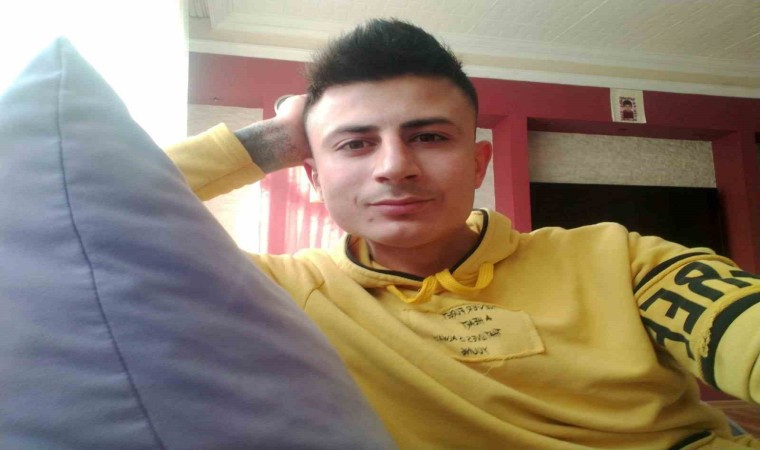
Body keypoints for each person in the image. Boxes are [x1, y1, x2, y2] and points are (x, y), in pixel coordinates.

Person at [166, 19, 760, 449]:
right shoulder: (281, 294)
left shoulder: (617, 258)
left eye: (429, 137)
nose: (395, 167)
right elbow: (107, 213)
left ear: (478, 165)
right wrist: (270, 139)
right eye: (356, 143)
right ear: (314, 176)